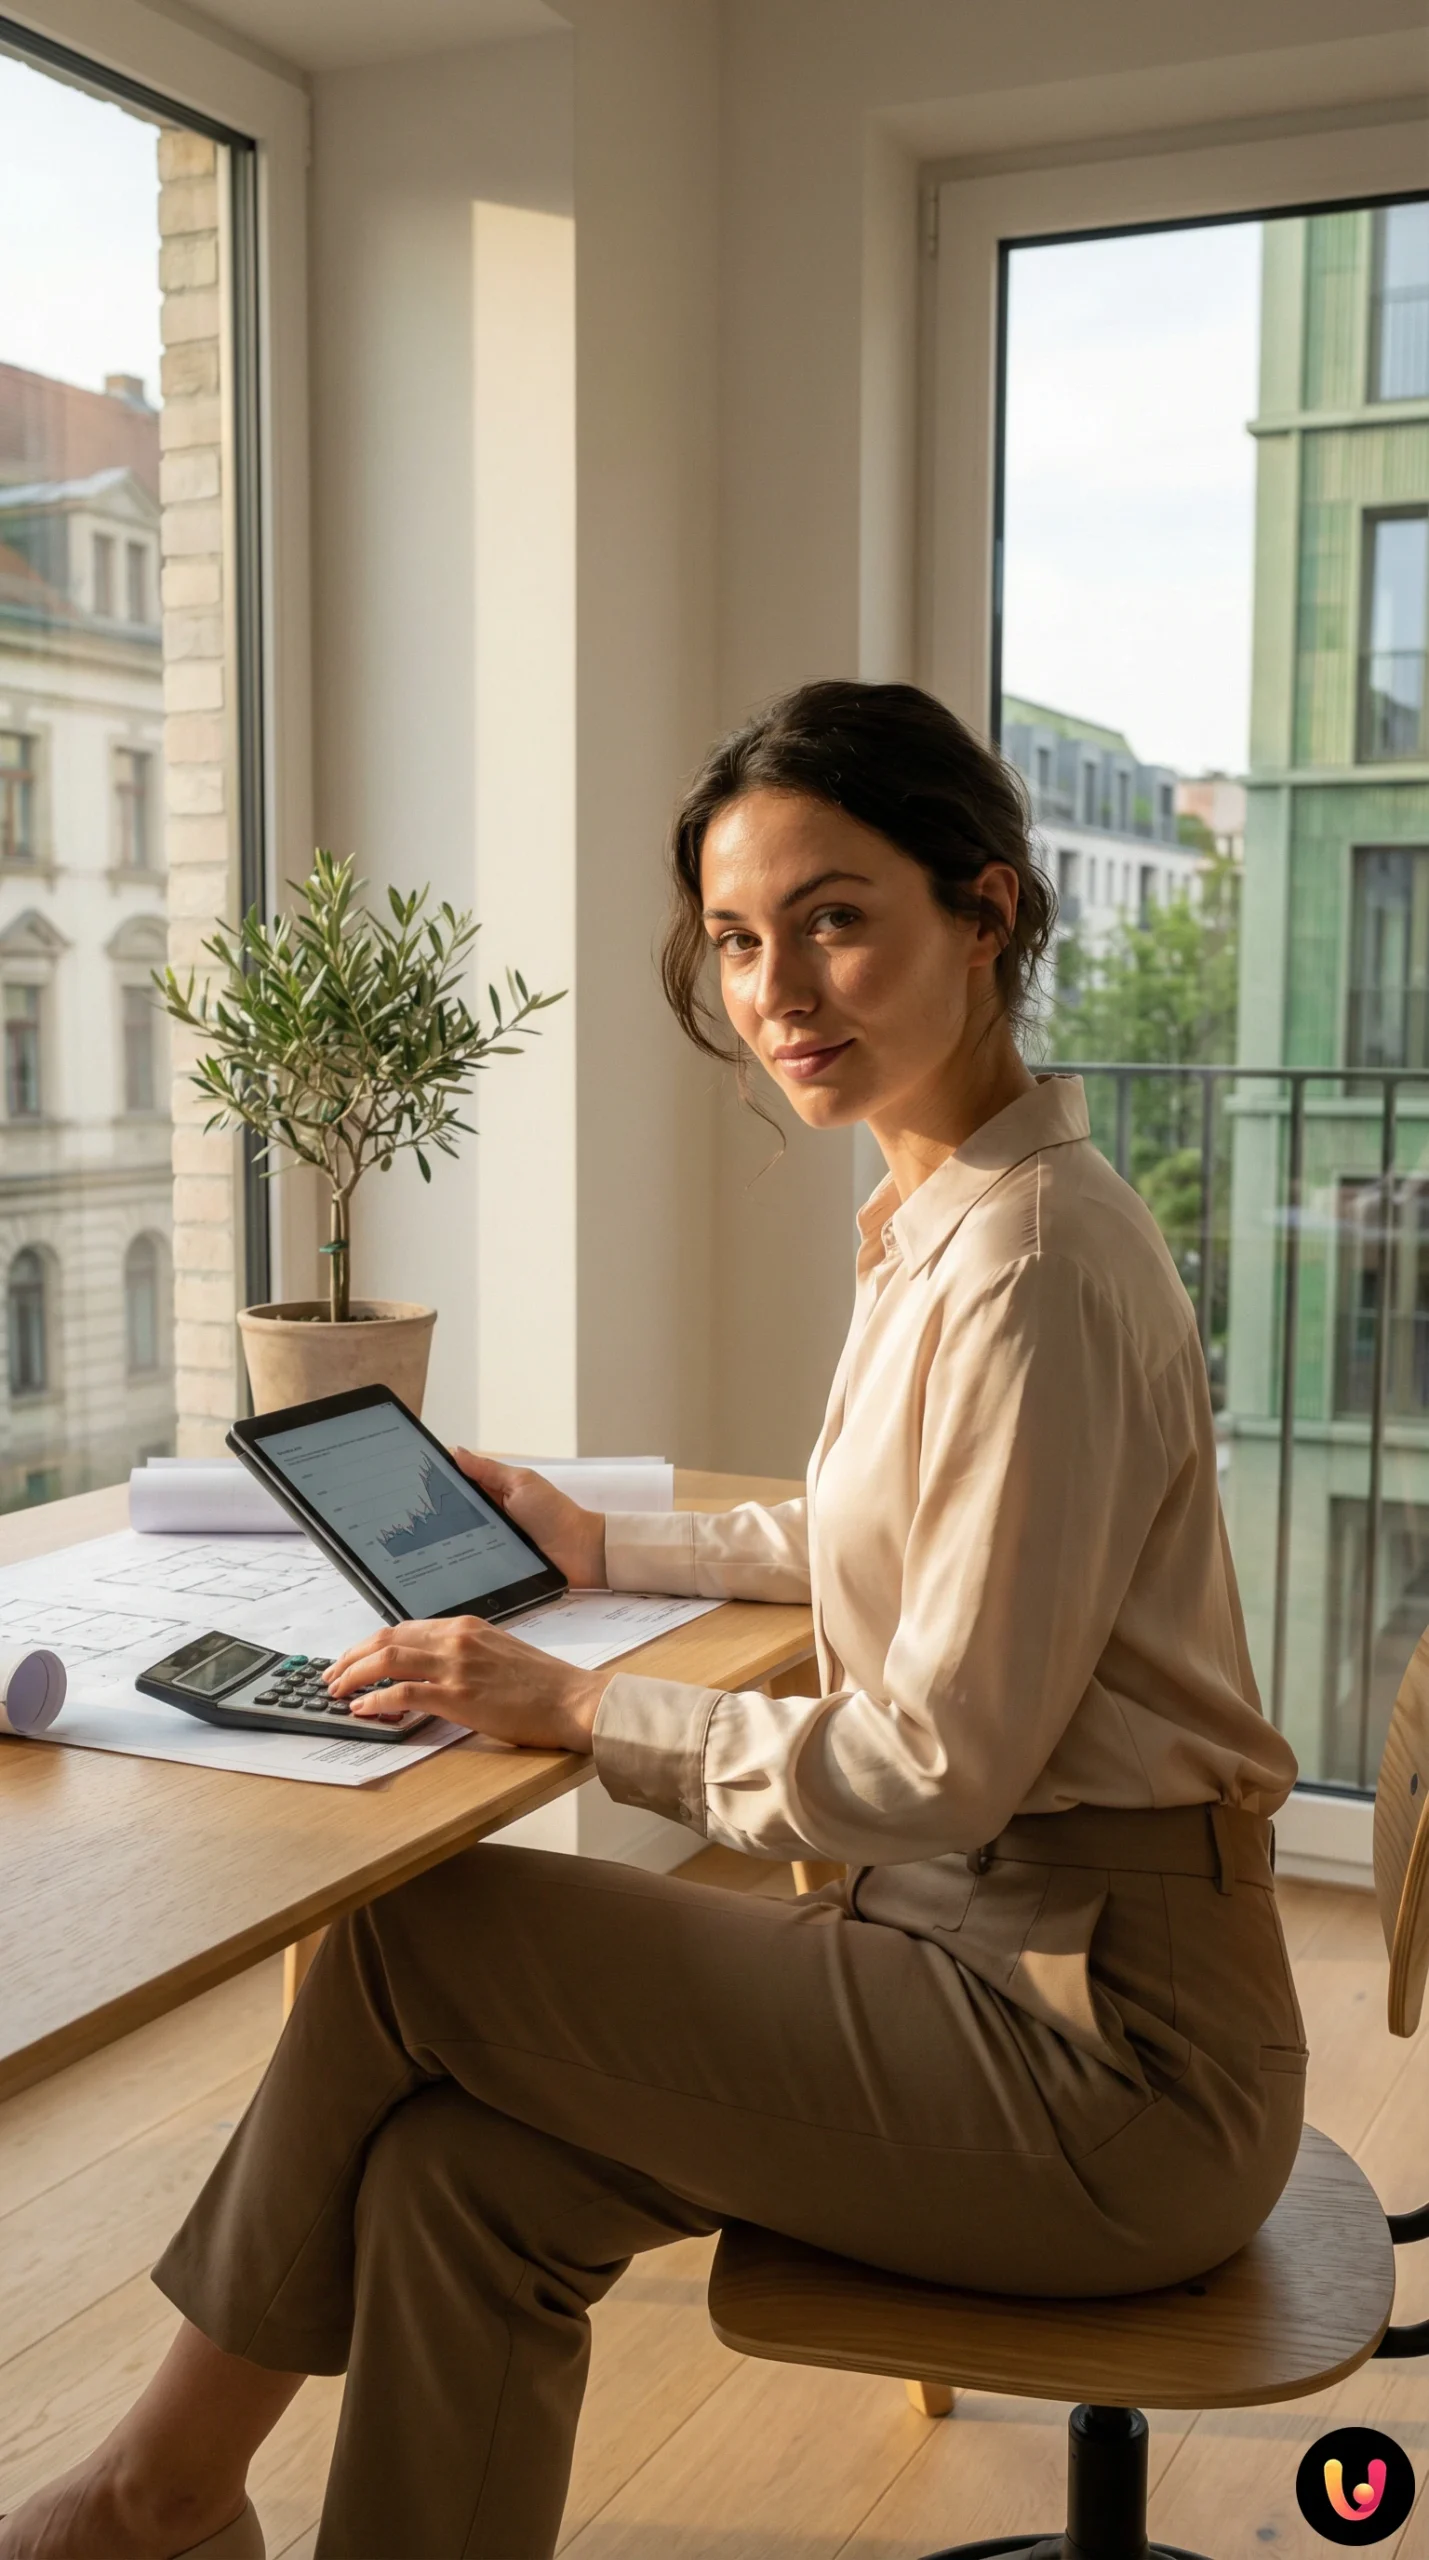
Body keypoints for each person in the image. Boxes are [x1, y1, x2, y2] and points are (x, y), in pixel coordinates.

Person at [0, 681, 1305, 2560]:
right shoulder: (954, 1213)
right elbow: (900, 1541)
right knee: (460, 2179)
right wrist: (604, 1541)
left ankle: (153, 2497)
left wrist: (578, 1710)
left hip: (1105, 2066)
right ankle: (187, 2504)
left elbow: (934, 1765)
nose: (779, 991)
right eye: (739, 939)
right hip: (986, 1971)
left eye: (836, 920)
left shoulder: (1028, 1264)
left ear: (987, 911)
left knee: (418, 1932)